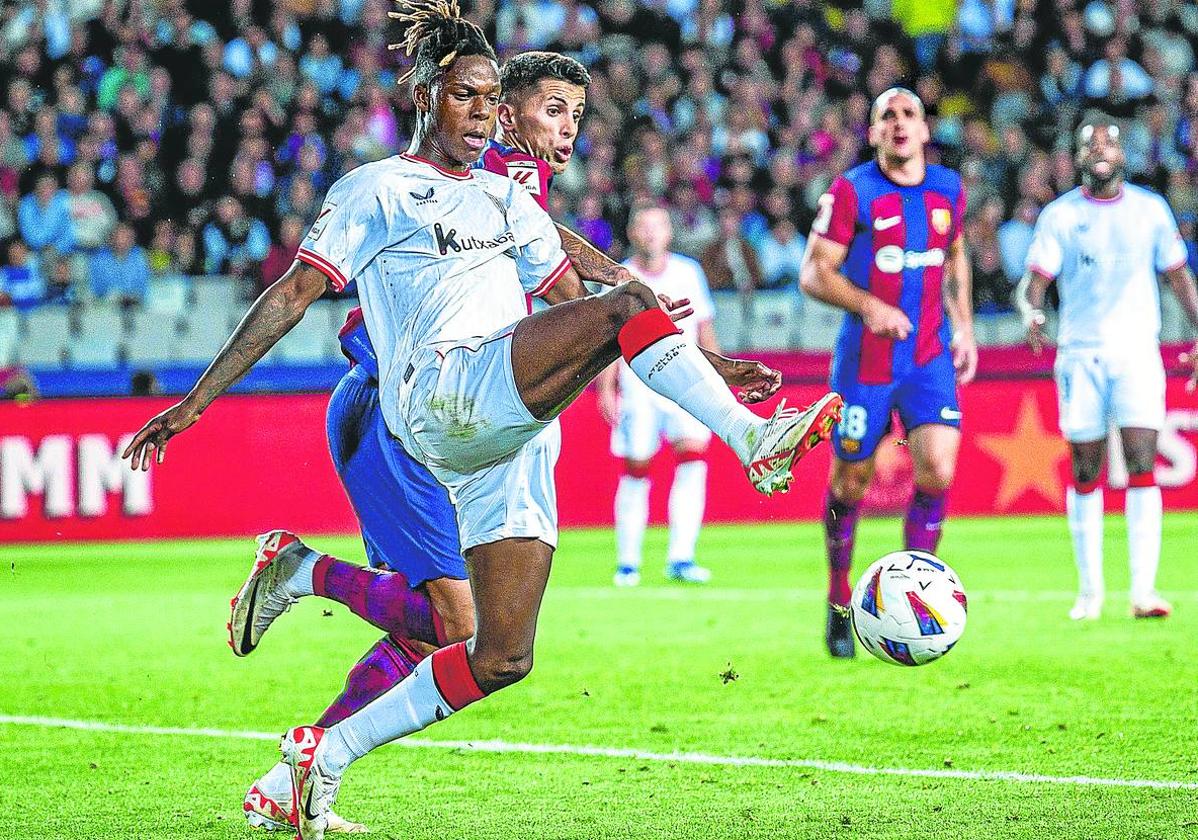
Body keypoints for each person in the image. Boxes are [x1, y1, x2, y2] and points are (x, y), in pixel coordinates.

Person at [122, 4, 841, 837]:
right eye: (468, 96)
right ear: (430, 95)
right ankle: (755, 443)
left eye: (489, 97)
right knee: (620, 313)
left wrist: (704, 364)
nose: (481, 113)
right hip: (439, 393)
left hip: (510, 435)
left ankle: (322, 756)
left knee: (497, 652)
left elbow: (594, 309)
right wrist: (193, 402)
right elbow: (292, 293)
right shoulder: (378, 187)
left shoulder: (507, 199)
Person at [237, 49, 637, 834]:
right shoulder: (483, 166)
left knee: (429, 632)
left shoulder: (510, 188)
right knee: (462, 629)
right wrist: (630, 299)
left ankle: (296, 777)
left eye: (578, 115)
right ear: (508, 109)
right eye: (552, 109)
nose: (567, 128)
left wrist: (624, 307)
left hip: (439, 418)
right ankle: (302, 571)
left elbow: (557, 267)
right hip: (400, 412)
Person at [799, 87, 977, 659]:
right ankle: (836, 599)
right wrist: (870, 307)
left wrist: (965, 327)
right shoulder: (852, 191)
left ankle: (916, 595)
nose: (899, 124)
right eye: (886, 116)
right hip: (865, 364)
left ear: (925, 130)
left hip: (928, 357)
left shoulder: (949, 189)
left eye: (909, 115)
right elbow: (813, 273)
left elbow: (954, 258)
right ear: (873, 133)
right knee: (850, 483)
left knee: (939, 471)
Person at [1018, 115, 1198, 621]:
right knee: (1085, 468)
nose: (1100, 148)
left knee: (1143, 461)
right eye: (1089, 143)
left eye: (1109, 142)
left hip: (1138, 350)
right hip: (1080, 353)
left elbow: (1179, 277)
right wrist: (1031, 311)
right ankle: (1090, 592)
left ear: (1123, 155)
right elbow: (1034, 282)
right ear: (1076, 157)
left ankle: (1143, 591)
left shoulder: (1150, 210)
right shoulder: (1060, 215)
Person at [596, 205, 719, 586]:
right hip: (638, 385)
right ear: (633, 232)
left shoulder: (688, 272)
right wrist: (606, 389)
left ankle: (682, 557)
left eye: (658, 227)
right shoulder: (619, 277)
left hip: (687, 382)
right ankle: (628, 562)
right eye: (644, 227)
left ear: (669, 232)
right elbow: (605, 340)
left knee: (693, 461)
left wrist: (718, 377)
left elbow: (704, 328)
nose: (651, 234)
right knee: (636, 469)